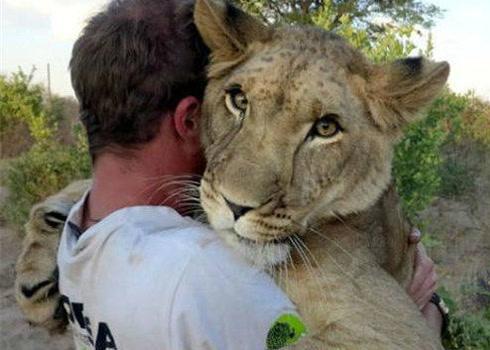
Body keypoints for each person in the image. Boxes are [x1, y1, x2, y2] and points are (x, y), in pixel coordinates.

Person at [58, 0, 443, 348]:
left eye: (324, 128)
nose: (242, 192)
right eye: (239, 101)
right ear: (189, 117)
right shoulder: (192, 272)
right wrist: (429, 312)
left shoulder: (336, 241)